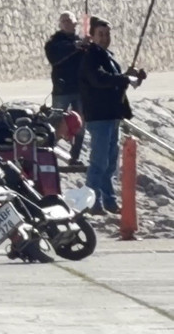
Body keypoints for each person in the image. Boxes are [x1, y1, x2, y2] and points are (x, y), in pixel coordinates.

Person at [79, 16, 145, 215]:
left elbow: (115, 82)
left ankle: (109, 200)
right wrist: (125, 77)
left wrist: (132, 77)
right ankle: (93, 202)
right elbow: (99, 79)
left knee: (109, 164)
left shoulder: (107, 56)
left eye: (107, 34)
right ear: (92, 36)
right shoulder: (91, 56)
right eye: (101, 34)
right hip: (99, 117)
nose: (105, 38)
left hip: (112, 115)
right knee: (98, 163)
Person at [44, 11, 86, 165]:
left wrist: (85, 46)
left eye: (69, 20)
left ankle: (74, 156)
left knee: (80, 124)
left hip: (79, 90)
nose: (67, 23)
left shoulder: (83, 42)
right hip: (62, 90)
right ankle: (48, 152)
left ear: (75, 23)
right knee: (55, 123)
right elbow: (55, 57)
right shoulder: (54, 42)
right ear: (60, 24)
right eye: (64, 21)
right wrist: (76, 46)